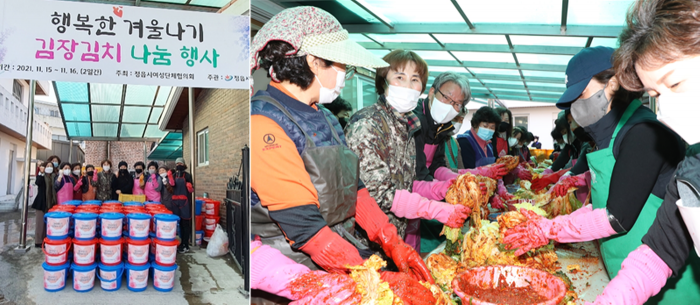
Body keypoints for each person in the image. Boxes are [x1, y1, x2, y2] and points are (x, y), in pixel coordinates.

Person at [249, 7, 433, 303]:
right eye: (341, 65)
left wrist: (391, 241)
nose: (345, 74)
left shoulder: (326, 117)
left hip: (341, 254)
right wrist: (374, 279)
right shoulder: (263, 121)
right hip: (295, 273)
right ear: (313, 61)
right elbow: (306, 228)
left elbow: (355, 190)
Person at [502, 46, 693, 304]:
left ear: (613, 83)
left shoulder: (643, 133)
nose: (576, 108)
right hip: (626, 279)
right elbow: (601, 203)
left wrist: (549, 229)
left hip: (664, 288)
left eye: (581, 95)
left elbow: (615, 217)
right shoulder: (611, 136)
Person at [585, 1, 700, 303]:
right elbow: (662, 248)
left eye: (675, 82)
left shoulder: (639, 134)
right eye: (656, 95)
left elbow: (617, 217)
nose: (666, 109)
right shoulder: (693, 167)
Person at [346, 51, 470, 253]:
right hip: (368, 242)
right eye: (399, 77)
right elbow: (378, 194)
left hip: (397, 236)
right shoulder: (368, 124)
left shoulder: (408, 126)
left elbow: (410, 182)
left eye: (415, 79)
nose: (408, 86)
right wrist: (435, 209)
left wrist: (446, 189)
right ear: (383, 81)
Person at [31, 161, 56, 247]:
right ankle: (38, 242)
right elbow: (38, 182)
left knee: (47, 224)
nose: (49, 167)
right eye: (47, 166)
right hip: (41, 203)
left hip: (51, 203)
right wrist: (41, 173)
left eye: (51, 166)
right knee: (40, 224)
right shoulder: (41, 176)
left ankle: (45, 240)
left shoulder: (53, 177)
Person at [172, 157, 193, 253]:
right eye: (177, 163)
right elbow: (171, 186)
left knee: (185, 224)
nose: (178, 165)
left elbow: (191, 188)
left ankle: (185, 244)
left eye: (180, 163)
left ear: (184, 165)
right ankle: (178, 243)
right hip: (175, 203)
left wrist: (190, 188)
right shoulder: (173, 175)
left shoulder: (188, 176)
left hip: (185, 203)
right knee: (177, 224)